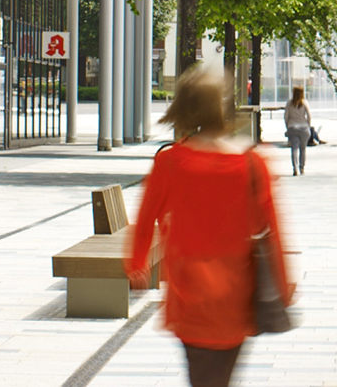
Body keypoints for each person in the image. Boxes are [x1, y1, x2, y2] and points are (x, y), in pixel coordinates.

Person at [125, 65, 292, 387]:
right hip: (236, 296)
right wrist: (283, 287)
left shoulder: (170, 162)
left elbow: (144, 221)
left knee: (202, 377)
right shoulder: (252, 163)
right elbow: (273, 232)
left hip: (190, 295)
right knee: (220, 377)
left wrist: (135, 265)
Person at [284, 86, 311, 176]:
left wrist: (288, 127)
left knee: (294, 149)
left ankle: (295, 168)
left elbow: (286, 117)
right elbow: (309, 115)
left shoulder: (289, 103)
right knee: (303, 149)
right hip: (304, 128)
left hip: (293, 127)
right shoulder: (305, 103)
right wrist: (308, 125)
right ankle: (302, 168)